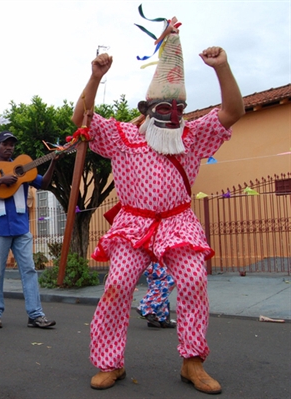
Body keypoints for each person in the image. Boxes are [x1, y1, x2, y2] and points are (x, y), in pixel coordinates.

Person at [72, 15, 244, 394]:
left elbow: (233, 112)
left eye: (179, 108)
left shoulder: (193, 136)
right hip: (134, 223)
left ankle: (192, 362)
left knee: (195, 280)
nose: (173, 116)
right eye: (164, 108)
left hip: (178, 222)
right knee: (117, 284)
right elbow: (80, 118)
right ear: (146, 108)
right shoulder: (122, 137)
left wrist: (223, 67)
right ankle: (109, 363)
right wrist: (96, 78)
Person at [0, 131, 57, 329]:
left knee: (29, 270)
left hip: (21, 227)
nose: (9, 147)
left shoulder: (23, 168)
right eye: (5, 144)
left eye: (12, 144)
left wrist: (53, 162)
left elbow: (44, 184)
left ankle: (36, 314)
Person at [136, 262, 176, 328]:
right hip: (157, 258)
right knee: (168, 280)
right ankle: (146, 307)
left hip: (155, 260)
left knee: (157, 284)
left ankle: (159, 317)